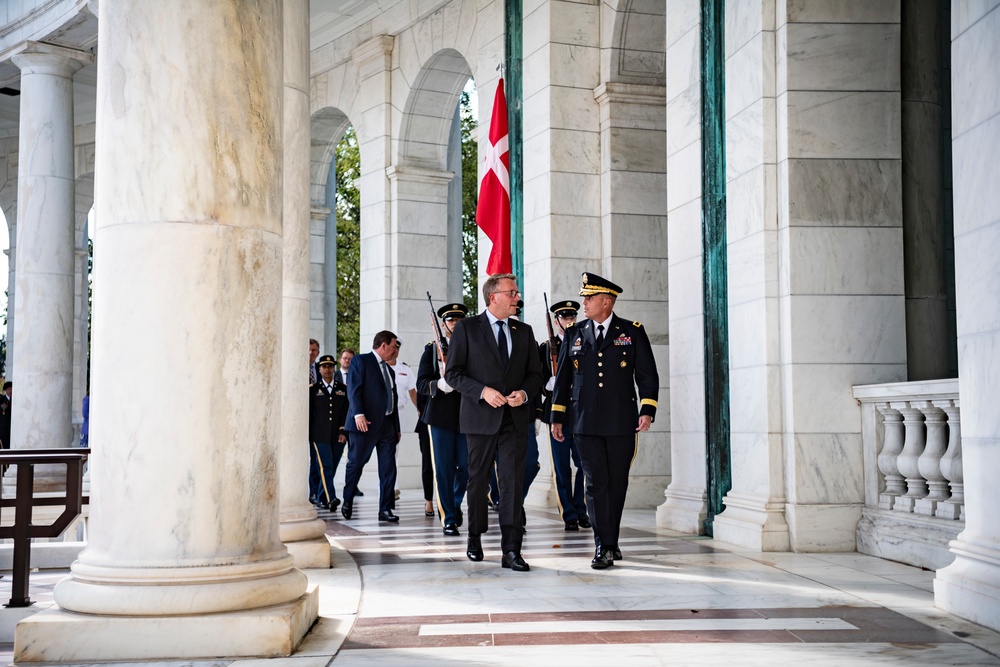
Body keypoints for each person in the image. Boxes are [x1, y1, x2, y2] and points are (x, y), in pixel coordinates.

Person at [550, 273, 658, 570]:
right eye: (584, 297)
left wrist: (647, 410)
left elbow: (647, 375)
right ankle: (603, 545)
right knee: (595, 483)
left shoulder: (632, 332)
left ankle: (611, 540)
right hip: (583, 421)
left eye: (589, 298)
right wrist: (557, 417)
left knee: (616, 484)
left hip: (622, 421)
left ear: (606, 302)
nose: (583, 303)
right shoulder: (575, 332)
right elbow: (563, 379)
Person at [445, 273, 543, 572]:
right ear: (493, 297)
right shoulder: (466, 328)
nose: (517, 297)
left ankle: (511, 550)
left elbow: (536, 375)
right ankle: (474, 537)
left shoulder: (524, 331)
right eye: (512, 292)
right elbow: (453, 374)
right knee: (478, 481)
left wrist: (524, 393)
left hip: (515, 419)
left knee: (512, 483)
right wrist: (483, 392)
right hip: (480, 418)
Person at [417, 302, 470, 536]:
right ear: (443, 325)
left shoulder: (471, 347)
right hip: (439, 417)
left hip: (467, 415)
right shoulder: (431, 350)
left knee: (467, 467)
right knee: (444, 469)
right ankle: (448, 517)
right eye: (451, 321)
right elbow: (420, 384)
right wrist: (439, 384)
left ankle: (455, 503)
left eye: (459, 321)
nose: (455, 325)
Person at [539, 300, 590, 531]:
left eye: (572, 317)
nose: (570, 321)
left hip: (580, 413)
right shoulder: (544, 348)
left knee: (584, 465)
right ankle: (568, 514)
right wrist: (548, 385)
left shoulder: (584, 341)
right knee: (562, 467)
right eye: (565, 317)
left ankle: (581, 509)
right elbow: (537, 379)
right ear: (556, 320)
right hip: (557, 415)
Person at [342, 330, 402, 522]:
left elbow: (392, 398)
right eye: (393, 346)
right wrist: (358, 414)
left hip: (387, 426)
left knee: (388, 468)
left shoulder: (390, 370)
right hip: (364, 424)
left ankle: (385, 509)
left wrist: (396, 426)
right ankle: (347, 500)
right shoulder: (361, 361)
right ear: (383, 345)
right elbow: (354, 390)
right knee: (356, 464)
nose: (395, 351)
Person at [309, 354, 349, 511]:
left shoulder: (342, 389)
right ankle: (331, 497)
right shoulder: (313, 390)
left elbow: (346, 412)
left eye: (330, 366)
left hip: (337, 434)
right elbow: (310, 414)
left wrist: (343, 431)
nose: (327, 369)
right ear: (319, 369)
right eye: (324, 366)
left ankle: (321, 497)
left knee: (332, 465)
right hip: (319, 435)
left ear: (334, 368)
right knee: (326, 465)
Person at [334, 348, 363, 497]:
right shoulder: (334, 376)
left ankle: (352, 486)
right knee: (334, 457)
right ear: (340, 359)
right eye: (345, 358)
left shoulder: (358, 375)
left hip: (353, 421)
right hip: (338, 422)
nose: (347, 361)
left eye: (350, 358)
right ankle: (327, 487)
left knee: (354, 458)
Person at [0, 381, 10, 452]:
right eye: (9, 389)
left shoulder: (17, 399)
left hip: (12, 430)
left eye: (12, 388)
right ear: (6, 390)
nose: (11, 390)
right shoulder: (1, 400)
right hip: (3, 430)